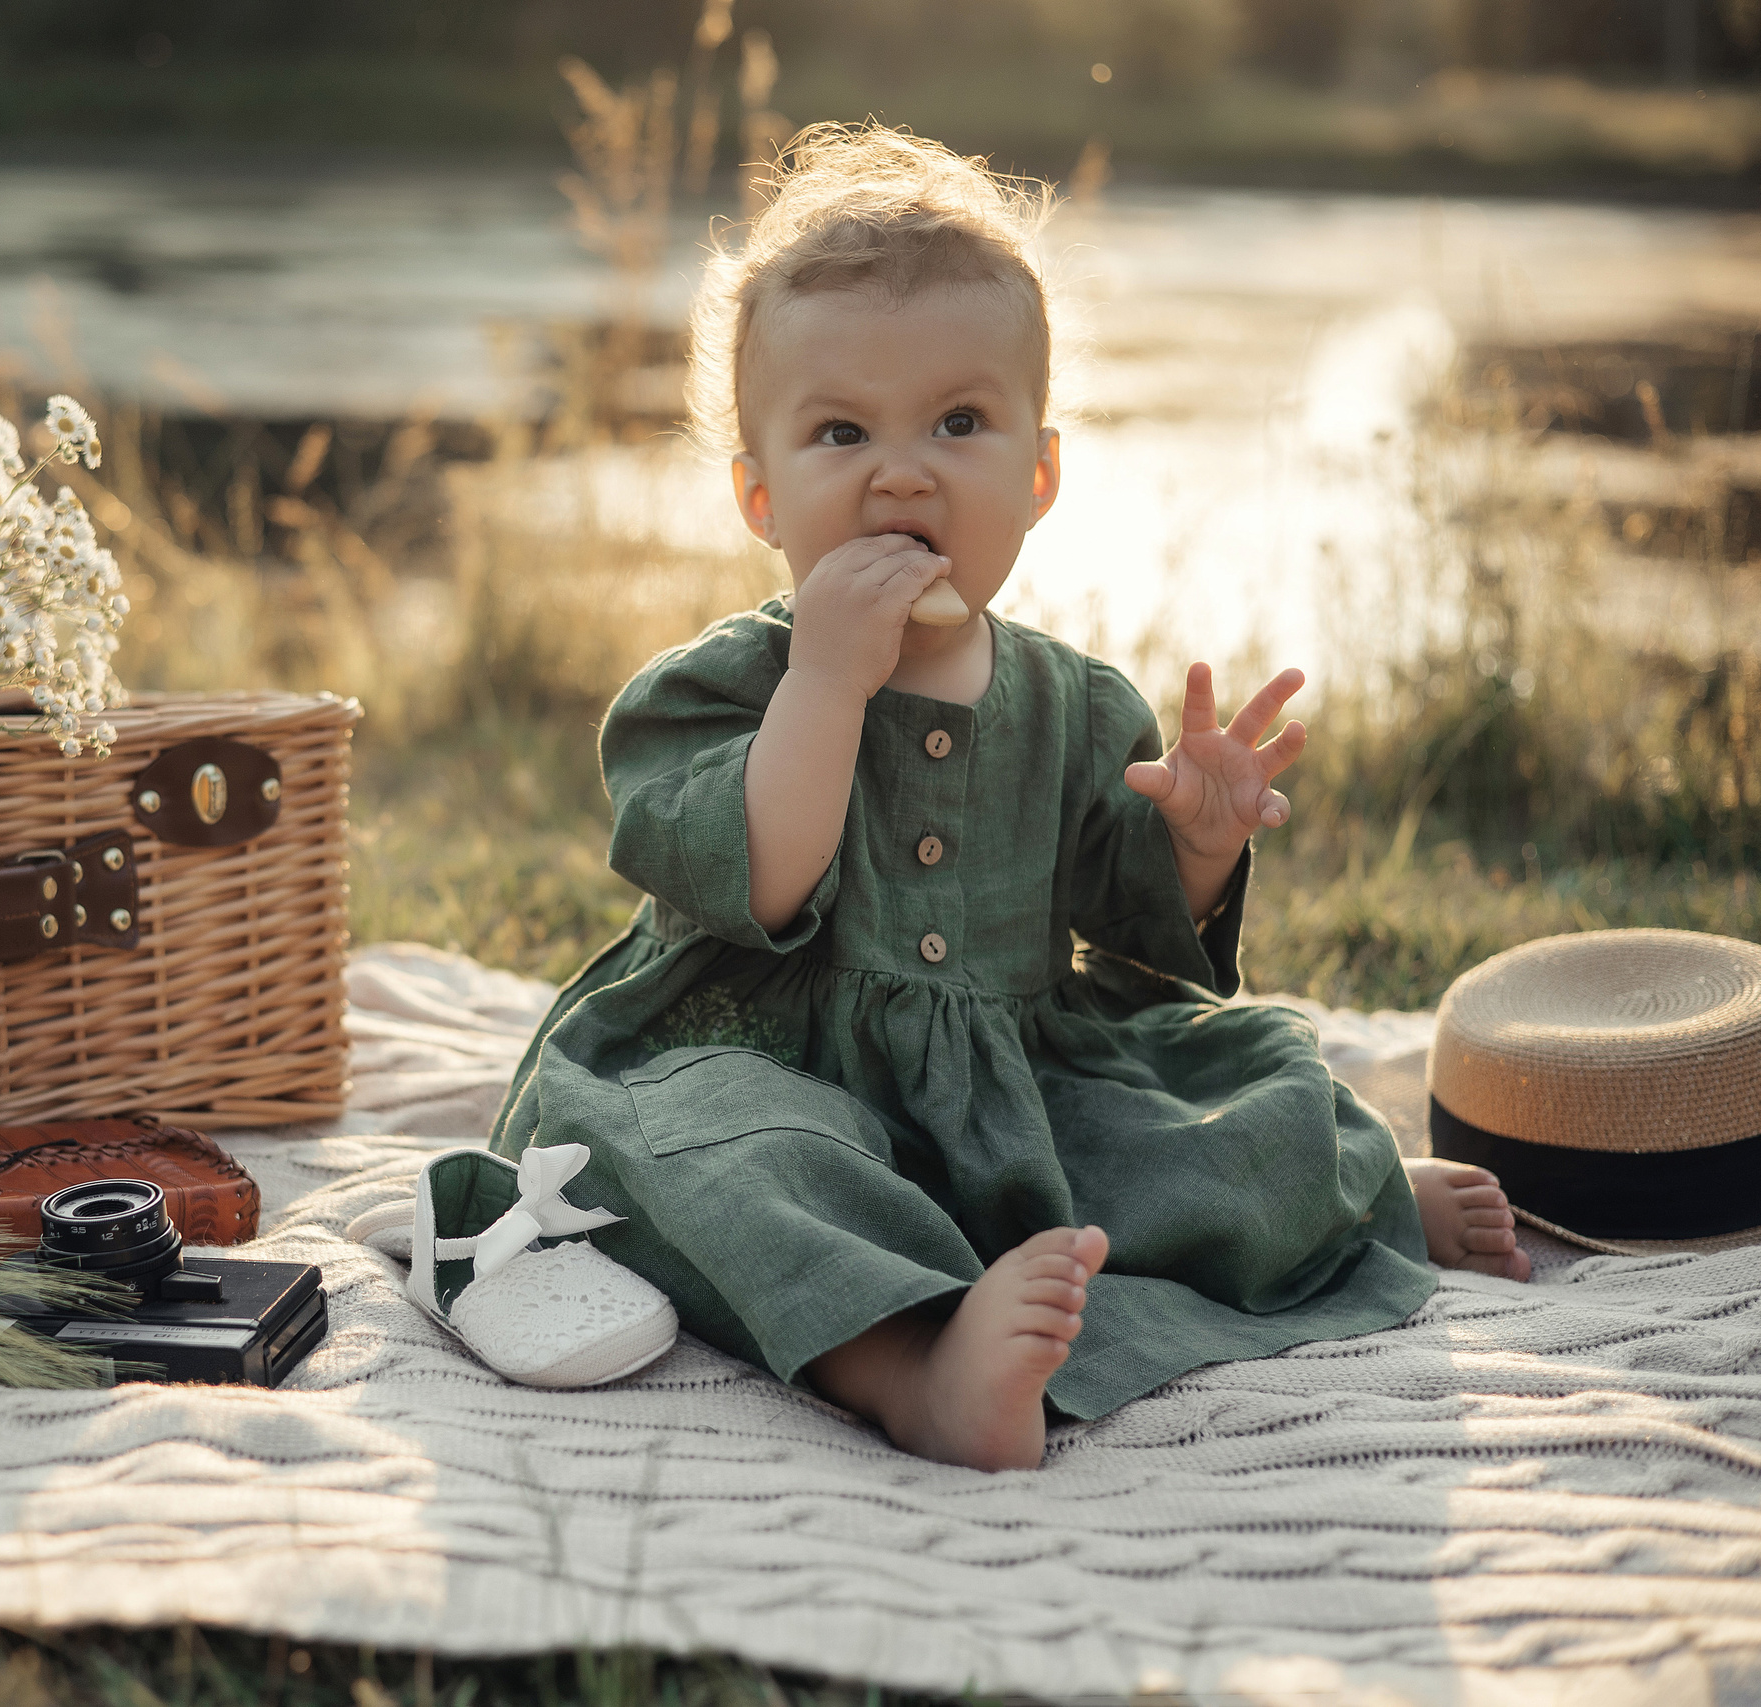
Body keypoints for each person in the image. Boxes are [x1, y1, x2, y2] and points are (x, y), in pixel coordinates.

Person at [488, 124, 1531, 1472]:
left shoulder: (1076, 706)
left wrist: (1199, 841)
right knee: (692, 1155)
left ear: (1039, 474)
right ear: (760, 493)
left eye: (958, 424)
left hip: (1009, 1089)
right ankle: (916, 1372)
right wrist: (828, 682)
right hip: (769, 1066)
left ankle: (1357, 1199)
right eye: (840, 431)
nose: (903, 470)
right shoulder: (718, 692)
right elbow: (768, 880)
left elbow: (1143, 929)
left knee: (1259, 1093)